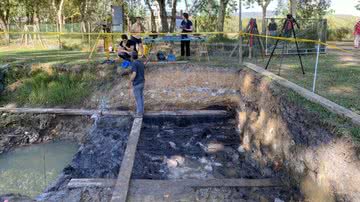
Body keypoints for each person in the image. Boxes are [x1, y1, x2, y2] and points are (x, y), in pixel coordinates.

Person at [129, 51, 145, 117]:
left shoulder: (134, 63)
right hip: (142, 82)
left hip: (137, 83)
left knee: (138, 98)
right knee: (141, 97)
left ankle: (139, 113)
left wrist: (130, 80)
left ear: (132, 57)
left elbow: (134, 73)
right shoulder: (140, 62)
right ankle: (141, 111)